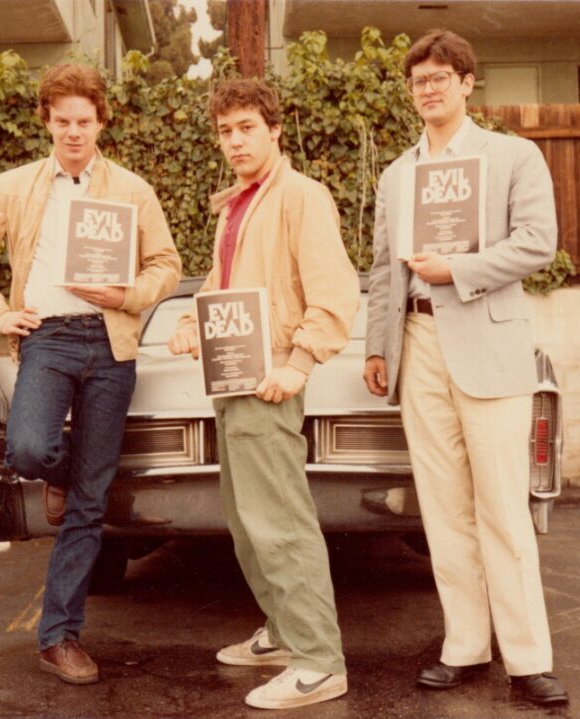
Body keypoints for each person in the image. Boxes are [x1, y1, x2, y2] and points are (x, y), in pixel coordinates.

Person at [0, 63, 181, 685]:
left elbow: (166, 263)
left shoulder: (132, 188)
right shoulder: (12, 187)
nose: (74, 132)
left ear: (101, 122)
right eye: (62, 121)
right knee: (26, 447)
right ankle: (69, 468)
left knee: (89, 504)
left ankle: (59, 638)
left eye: (85, 121)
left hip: (110, 344)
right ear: (46, 122)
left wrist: (126, 292)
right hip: (46, 336)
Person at [363, 30, 569, 707]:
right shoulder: (397, 174)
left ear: (467, 83)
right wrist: (376, 346)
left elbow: (538, 243)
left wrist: (461, 270)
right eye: (418, 80)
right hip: (417, 343)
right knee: (444, 508)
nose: (428, 89)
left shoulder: (512, 155)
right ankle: (465, 644)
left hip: (488, 341)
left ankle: (529, 657)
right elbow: (382, 269)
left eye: (440, 78)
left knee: (503, 508)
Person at [167, 78, 358, 710]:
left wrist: (299, 365)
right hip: (232, 378)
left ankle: (318, 662)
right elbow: (222, 288)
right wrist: (192, 321)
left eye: (247, 127)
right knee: (248, 522)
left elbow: (333, 291)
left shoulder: (302, 196)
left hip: (272, 380)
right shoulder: (236, 204)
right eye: (225, 131)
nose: (235, 140)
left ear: (274, 130)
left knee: (280, 522)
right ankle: (282, 633)